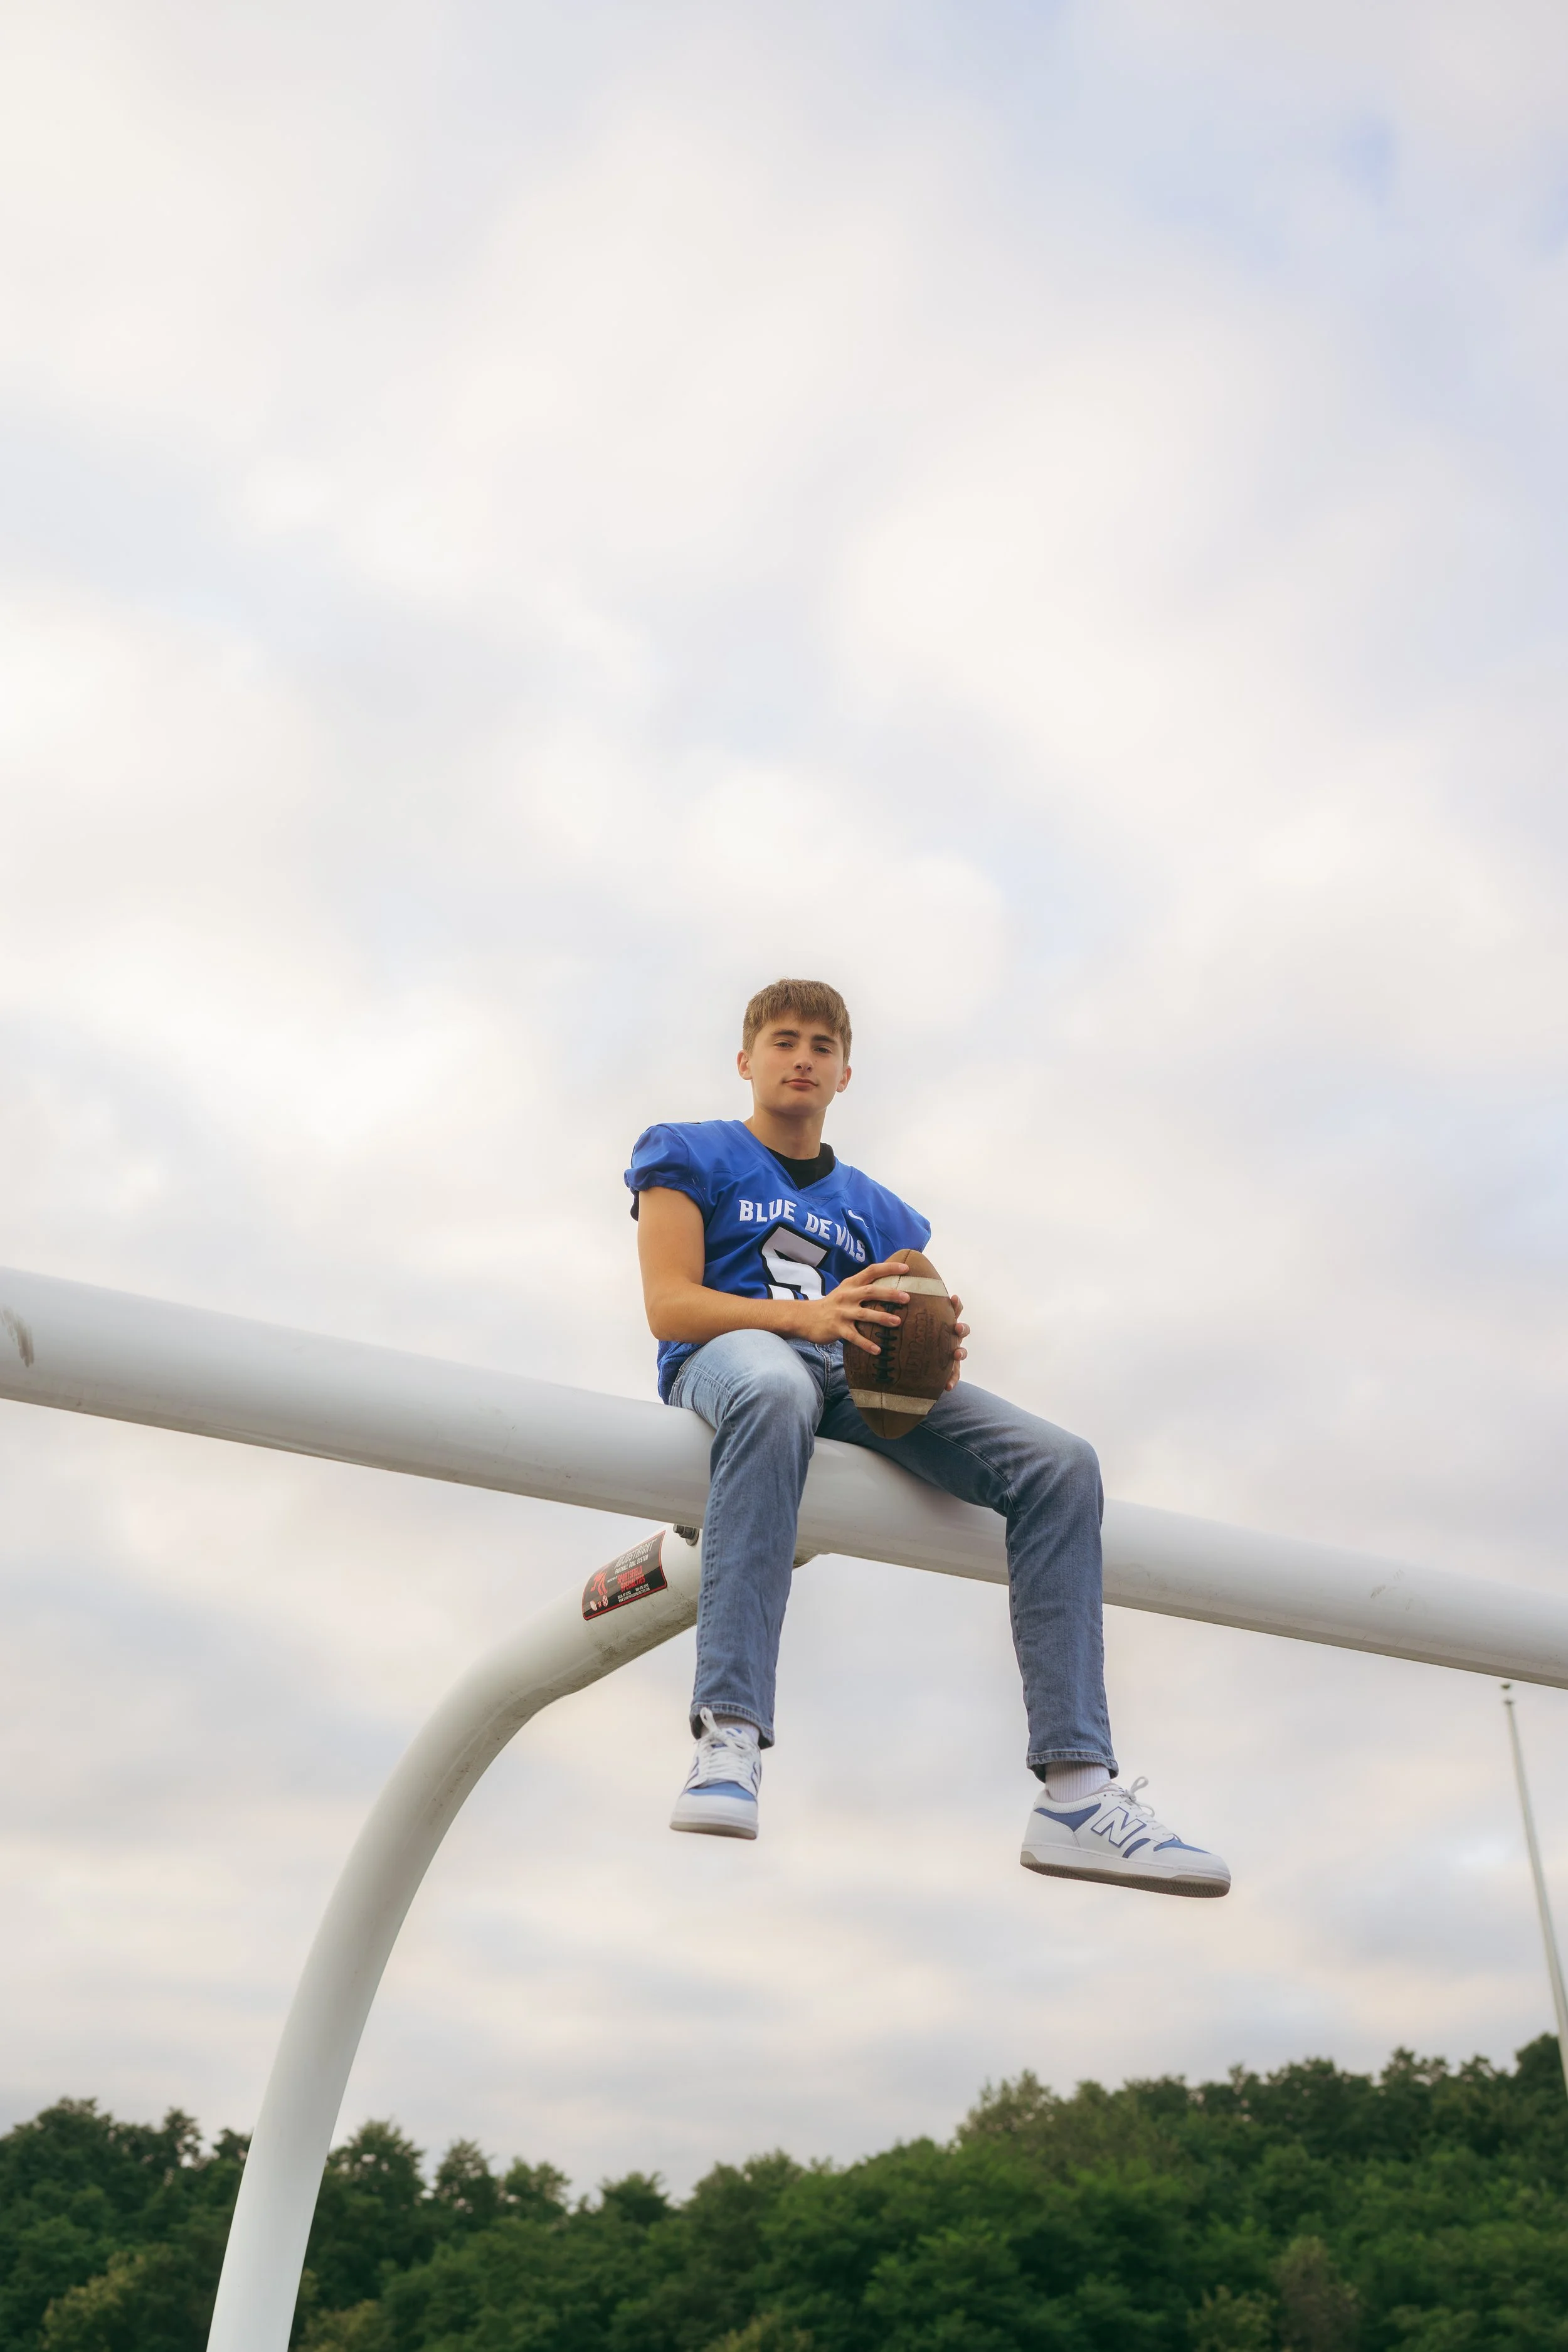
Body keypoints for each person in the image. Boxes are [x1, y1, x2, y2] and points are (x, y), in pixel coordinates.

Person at [625, 978, 1229, 1897]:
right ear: (746, 1061)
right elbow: (669, 1303)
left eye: (821, 1047)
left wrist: (933, 1347)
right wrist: (811, 1318)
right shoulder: (692, 1153)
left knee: (1060, 1464)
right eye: (784, 1040)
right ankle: (730, 1731)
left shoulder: (881, 1210)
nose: (802, 1057)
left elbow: (923, 1312)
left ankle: (1076, 1790)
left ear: (845, 1073)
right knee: (777, 1385)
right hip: (737, 1360)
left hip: (847, 1378)